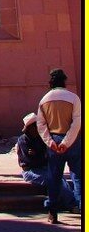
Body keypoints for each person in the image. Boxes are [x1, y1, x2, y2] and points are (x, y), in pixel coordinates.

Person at [37, 68, 82, 223]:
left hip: (53, 142)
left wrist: (51, 142)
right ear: (64, 81)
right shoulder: (74, 98)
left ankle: (52, 212)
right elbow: (77, 123)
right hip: (73, 141)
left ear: (51, 82)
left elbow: (41, 125)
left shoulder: (44, 100)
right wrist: (67, 142)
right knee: (78, 176)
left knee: (54, 177)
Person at [16, 112, 75, 211]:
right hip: (31, 171)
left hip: (44, 168)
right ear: (29, 128)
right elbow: (32, 161)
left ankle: (70, 202)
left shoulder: (42, 138)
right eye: (35, 126)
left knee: (61, 179)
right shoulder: (23, 141)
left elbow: (47, 155)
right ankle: (71, 204)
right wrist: (43, 156)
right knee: (52, 180)